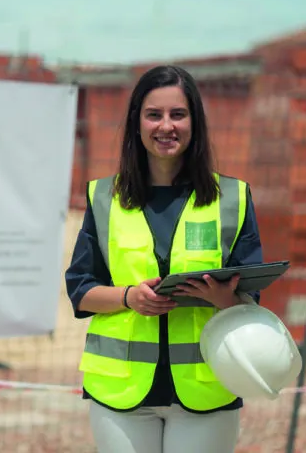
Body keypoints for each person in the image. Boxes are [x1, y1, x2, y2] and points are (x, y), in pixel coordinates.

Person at [65, 64, 264, 453]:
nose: (166, 126)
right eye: (154, 114)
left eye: (178, 114)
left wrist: (224, 300)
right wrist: (129, 298)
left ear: (195, 122)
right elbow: (80, 289)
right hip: (120, 393)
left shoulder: (232, 199)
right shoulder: (104, 198)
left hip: (206, 389)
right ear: (137, 122)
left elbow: (252, 294)